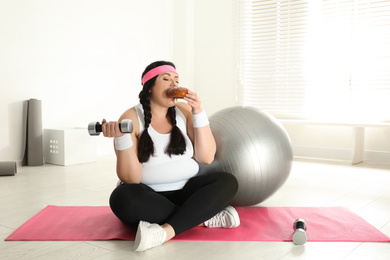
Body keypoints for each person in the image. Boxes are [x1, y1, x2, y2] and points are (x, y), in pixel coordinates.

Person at [102, 61, 239, 252]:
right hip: (150, 196)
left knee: (227, 181)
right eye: (166, 79)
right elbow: (131, 179)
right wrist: (120, 138)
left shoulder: (184, 111)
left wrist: (199, 111)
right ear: (149, 88)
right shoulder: (131, 117)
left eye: (176, 80)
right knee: (121, 198)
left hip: (187, 192)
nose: (174, 84)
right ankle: (202, 217)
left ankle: (165, 231)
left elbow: (206, 157)